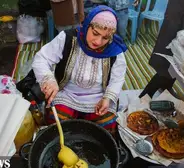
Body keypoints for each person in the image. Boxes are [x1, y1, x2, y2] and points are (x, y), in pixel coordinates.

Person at [32, 5, 127, 136]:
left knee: (107, 127)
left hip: (98, 98)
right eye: (95, 33)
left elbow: (118, 78)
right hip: (67, 94)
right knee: (56, 124)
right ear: (87, 25)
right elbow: (42, 58)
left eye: (105, 38)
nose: (98, 41)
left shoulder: (114, 51)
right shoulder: (68, 39)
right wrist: (49, 80)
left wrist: (108, 98)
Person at [139, 0, 184, 98]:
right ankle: (143, 100)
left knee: (170, 71)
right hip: (181, 29)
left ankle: (161, 93)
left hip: (183, 25)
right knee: (167, 70)